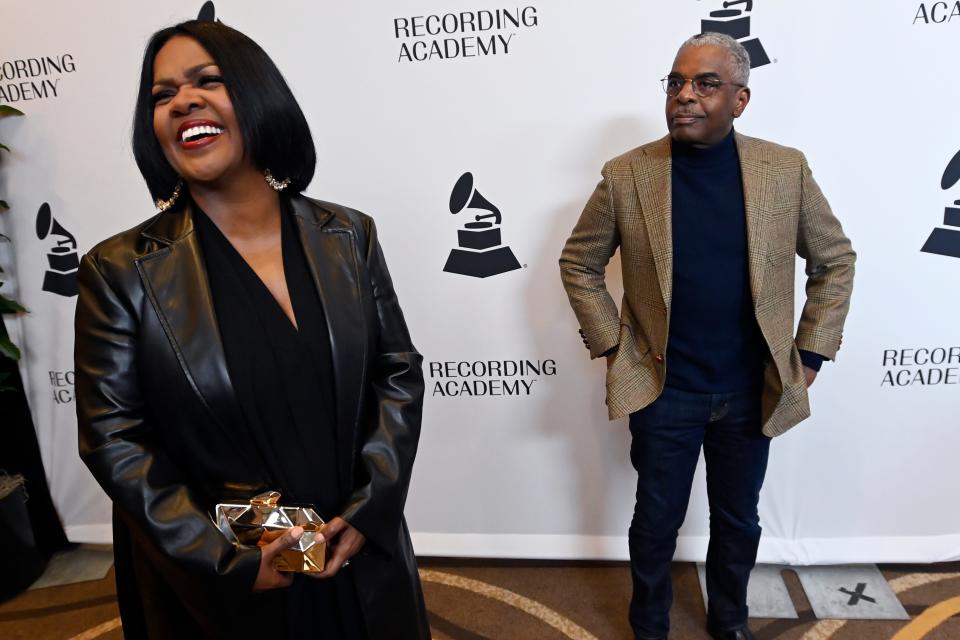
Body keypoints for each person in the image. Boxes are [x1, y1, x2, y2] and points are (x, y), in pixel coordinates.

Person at [74, 20, 429, 639]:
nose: (182, 101)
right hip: (225, 583)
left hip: (354, 548)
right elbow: (114, 439)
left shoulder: (348, 235)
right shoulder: (119, 270)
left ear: (258, 95)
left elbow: (395, 373)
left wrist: (370, 509)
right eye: (161, 96)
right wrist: (221, 561)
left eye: (207, 81)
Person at [559, 33, 855, 640]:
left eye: (705, 84)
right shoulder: (627, 175)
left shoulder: (785, 169)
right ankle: (649, 624)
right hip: (666, 386)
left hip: (752, 386)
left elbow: (835, 260)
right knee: (656, 518)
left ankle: (730, 619)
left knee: (738, 520)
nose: (685, 97)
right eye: (676, 83)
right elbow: (579, 263)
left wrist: (812, 351)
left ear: (740, 100)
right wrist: (617, 348)